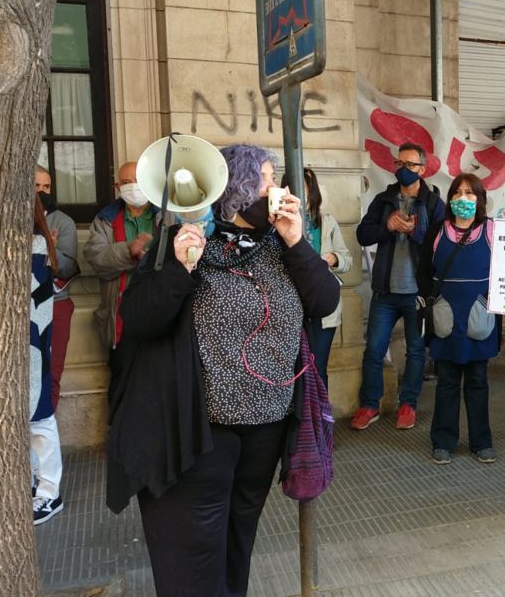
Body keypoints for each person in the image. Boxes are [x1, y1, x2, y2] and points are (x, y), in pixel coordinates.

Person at [106, 143, 340, 595]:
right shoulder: (184, 239)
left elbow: (325, 301)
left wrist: (296, 241)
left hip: (265, 427)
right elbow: (138, 317)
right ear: (237, 188)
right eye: (269, 181)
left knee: (238, 536)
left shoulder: (281, 246)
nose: (278, 191)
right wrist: (179, 266)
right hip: (197, 432)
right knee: (193, 548)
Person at [353, 142, 446, 430]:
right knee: (374, 350)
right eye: (400, 164)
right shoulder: (383, 200)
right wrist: (388, 227)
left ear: (423, 168)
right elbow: (362, 235)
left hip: (417, 294)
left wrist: (417, 232)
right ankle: (370, 405)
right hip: (385, 291)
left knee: (416, 351)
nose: (404, 170)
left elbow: (441, 247)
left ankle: (409, 404)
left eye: (410, 165)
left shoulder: (433, 204)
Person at [417, 174, 505, 465]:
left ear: (480, 199)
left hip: (480, 314)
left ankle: (482, 442)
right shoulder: (437, 231)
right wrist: (433, 301)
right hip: (446, 313)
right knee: (447, 381)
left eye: (470, 193)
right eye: (458, 193)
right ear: (450, 198)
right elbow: (422, 271)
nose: (464, 199)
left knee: (479, 381)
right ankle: (443, 441)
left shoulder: (493, 229)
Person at [83, 162, 159, 375]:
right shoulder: (105, 220)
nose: (133, 187)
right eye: (126, 182)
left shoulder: (167, 217)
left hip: (157, 314)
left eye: (139, 181)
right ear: (118, 187)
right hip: (120, 317)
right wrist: (129, 252)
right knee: (121, 381)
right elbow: (97, 259)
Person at [282, 168, 352, 386]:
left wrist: (333, 258)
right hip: (290, 305)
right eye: (296, 191)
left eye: (306, 190)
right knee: (292, 372)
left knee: (317, 368)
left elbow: (347, 259)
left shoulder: (327, 222)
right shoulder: (278, 223)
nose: (302, 196)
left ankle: (320, 419)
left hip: (322, 308)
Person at [30, 192, 65, 525]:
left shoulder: (36, 243)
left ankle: (49, 492)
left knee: (39, 418)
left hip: (32, 341)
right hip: (27, 340)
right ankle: (33, 481)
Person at [35, 166, 79, 410]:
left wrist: (49, 249)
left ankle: (47, 434)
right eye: (37, 186)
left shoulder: (63, 222)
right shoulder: (7, 218)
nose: (42, 191)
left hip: (57, 303)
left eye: (47, 186)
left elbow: (68, 266)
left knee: (51, 371)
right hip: (23, 306)